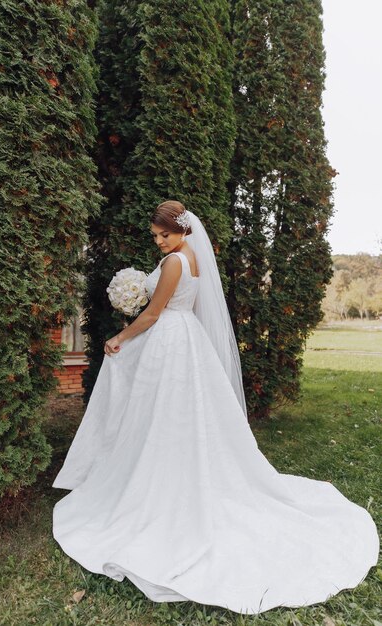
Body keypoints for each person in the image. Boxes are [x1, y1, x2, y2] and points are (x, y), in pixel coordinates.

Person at [52, 200, 379, 615]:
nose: (158, 242)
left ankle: (161, 486)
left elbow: (154, 314)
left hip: (169, 339)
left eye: (163, 234)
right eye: (155, 235)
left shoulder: (174, 262)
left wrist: (121, 336)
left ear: (183, 231)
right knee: (177, 419)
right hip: (184, 339)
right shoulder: (189, 258)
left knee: (165, 417)